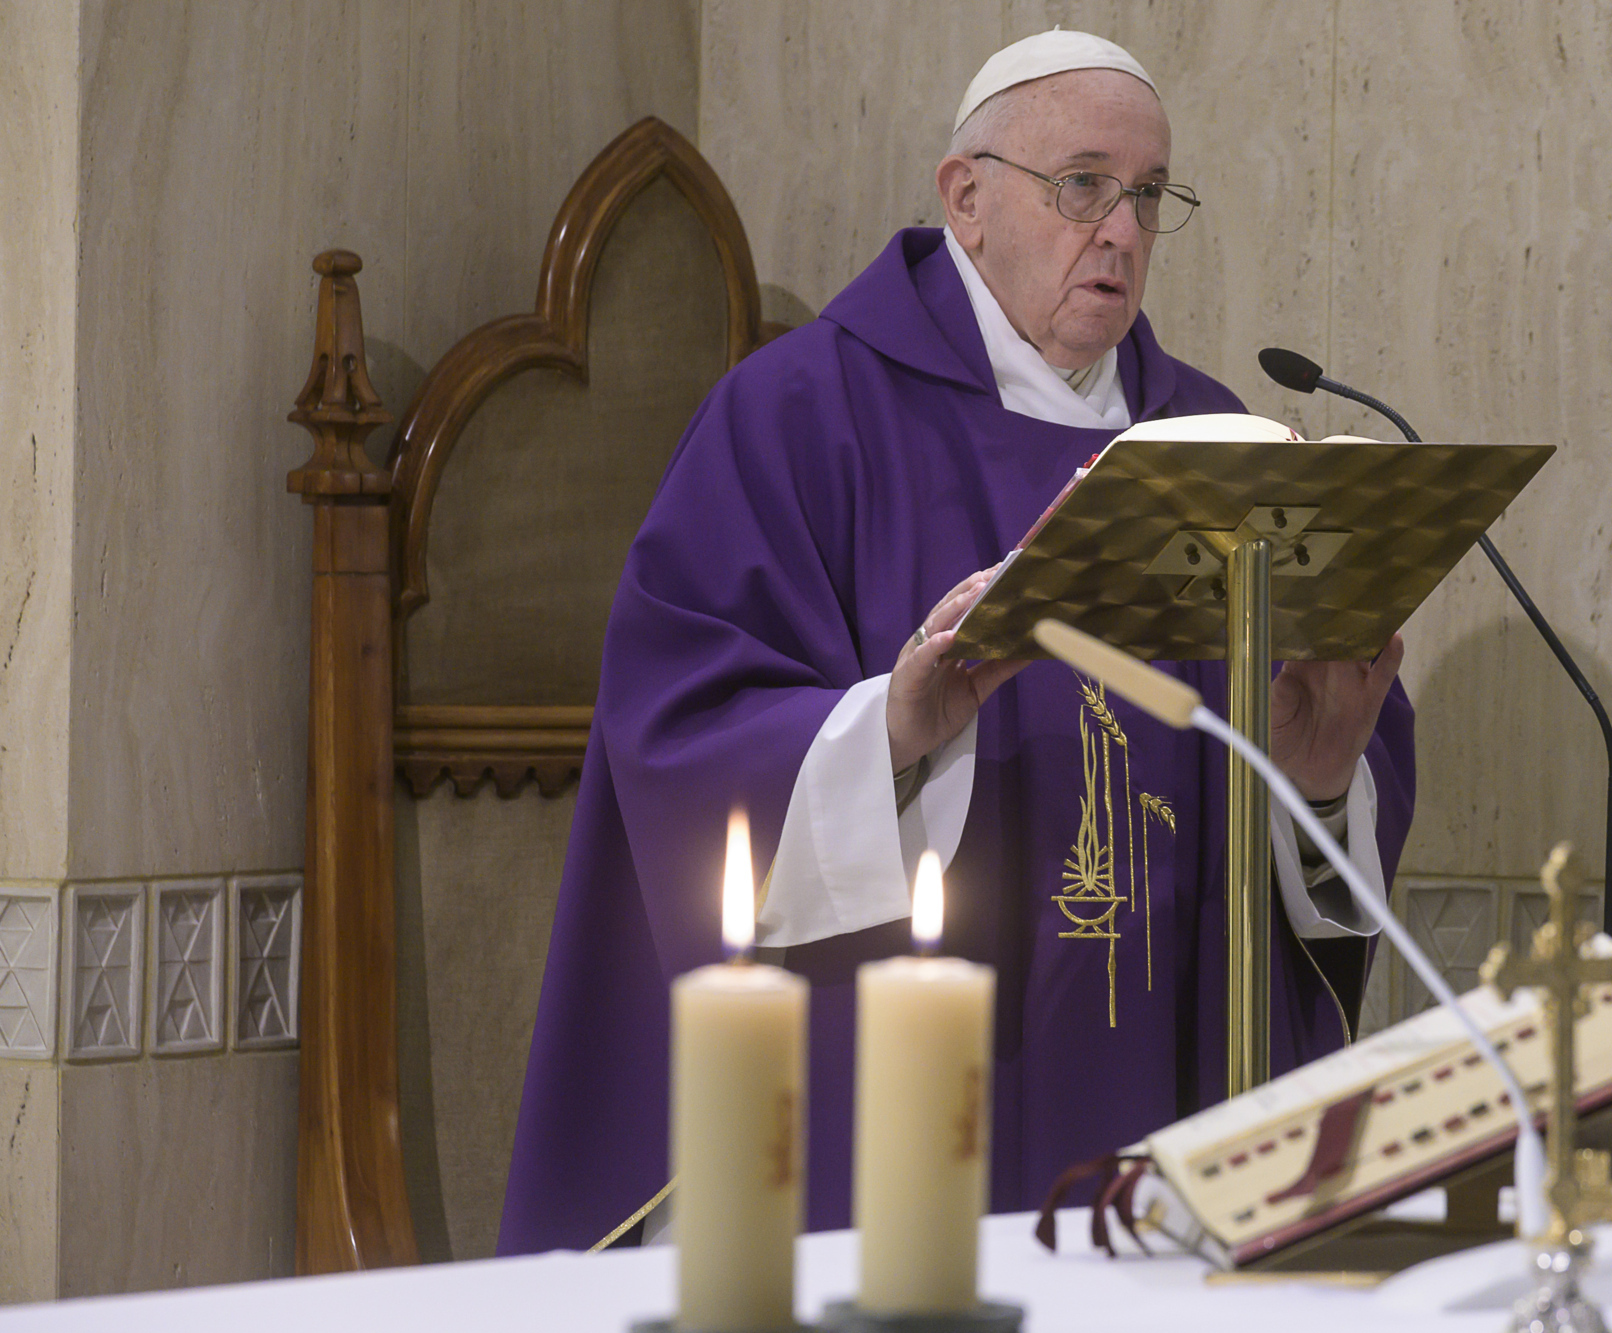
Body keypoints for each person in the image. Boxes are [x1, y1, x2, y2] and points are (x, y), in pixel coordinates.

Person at [497, 30, 1416, 1253]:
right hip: (890, 1113)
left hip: (1176, 1089)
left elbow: (1323, 779)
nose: (1122, 230)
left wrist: (1320, 777)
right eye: (1081, 185)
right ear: (965, 197)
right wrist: (888, 728)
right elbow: (678, 735)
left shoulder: (1218, 442)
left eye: (1148, 194)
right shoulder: (798, 414)